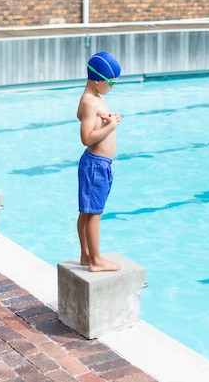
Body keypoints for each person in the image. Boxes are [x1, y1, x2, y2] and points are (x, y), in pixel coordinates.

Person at [76, 51, 122, 272]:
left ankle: (86, 255)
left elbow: (82, 116)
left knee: (87, 212)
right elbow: (86, 138)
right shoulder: (90, 101)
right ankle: (95, 260)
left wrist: (108, 120)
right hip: (96, 165)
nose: (112, 86)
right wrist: (110, 127)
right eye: (111, 82)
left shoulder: (93, 98)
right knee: (94, 214)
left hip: (98, 165)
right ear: (97, 80)